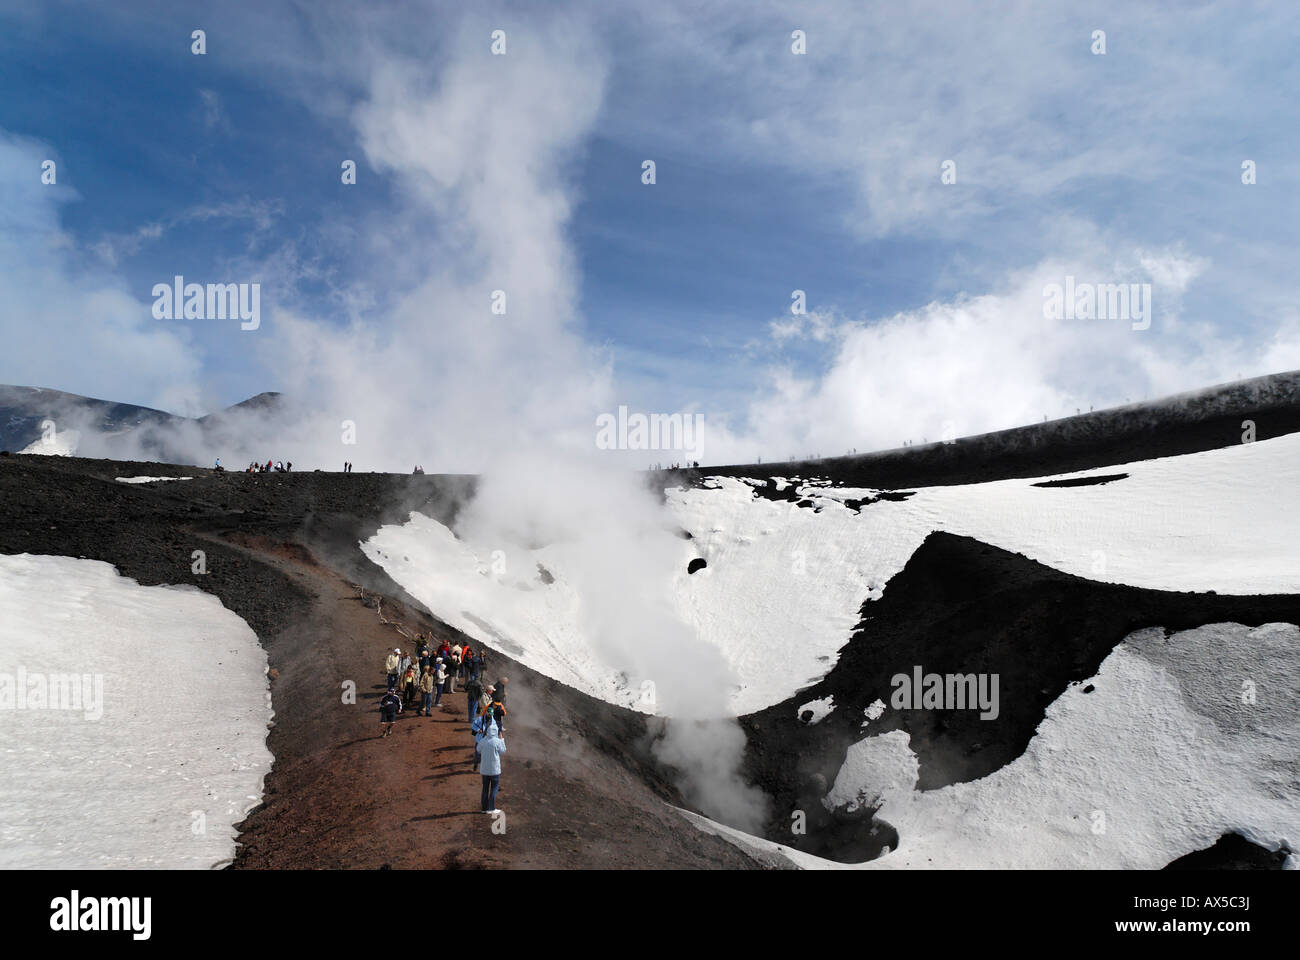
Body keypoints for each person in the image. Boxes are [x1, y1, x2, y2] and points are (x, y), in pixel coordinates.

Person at [478, 721, 506, 813]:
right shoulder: (497, 741)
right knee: (494, 788)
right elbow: (503, 751)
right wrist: (502, 740)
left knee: (485, 788)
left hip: (484, 770)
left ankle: (484, 808)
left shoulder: (483, 741)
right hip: (494, 770)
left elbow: (478, 750)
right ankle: (491, 808)